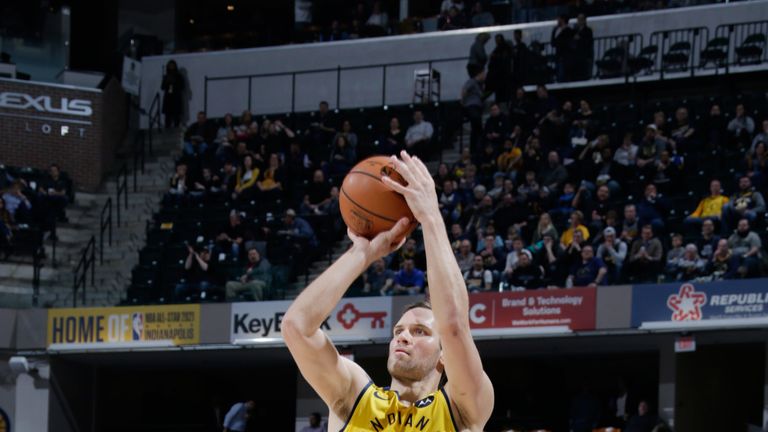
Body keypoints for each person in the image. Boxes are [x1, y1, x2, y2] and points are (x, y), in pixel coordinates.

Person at [282, 151, 494, 432]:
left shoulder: (461, 410)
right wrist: (362, 254)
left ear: (445, 356)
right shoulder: (354, 397)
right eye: (399, 331)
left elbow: (454, 324)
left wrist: (430, 217)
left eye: (420, 331)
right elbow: (296, 327)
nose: (403, 337)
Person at [461, 67, 485, 153]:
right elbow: (464, 90)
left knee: (477, 129)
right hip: (472, 106)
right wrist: (463, 102)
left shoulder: (479, 85)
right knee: (477, 126)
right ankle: (474, 148)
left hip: (477, 107)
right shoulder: (472, 81)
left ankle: (476, 148)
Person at [161, 60, 184, 128]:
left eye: (172, 65)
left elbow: (182, 86)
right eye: (170, 65)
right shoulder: (166, 76)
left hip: (176, 97)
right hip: (168, 98)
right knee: (167, 116)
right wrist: (167, 82)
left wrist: (175, 83)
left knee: (176, 115)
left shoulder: (178, 76)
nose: (171, 67)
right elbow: (162, 87)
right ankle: (167, 129)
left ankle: (176, 128)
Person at [551, 15, 574, 82]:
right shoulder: (557, 30)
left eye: (559, 19)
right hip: (558, 56)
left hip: (565, 57)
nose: (557, 21)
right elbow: (553, 43)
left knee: (563, 76)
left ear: (562, 20)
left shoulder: (568, 30)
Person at [572, 14, 594, 80]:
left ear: (584, 20)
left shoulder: (588, 30)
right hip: (576, 55)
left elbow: (588, 41)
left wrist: (580, 39)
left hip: (585, 55)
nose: (579, 21)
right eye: (578, 19)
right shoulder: (574, 30)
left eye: (581, 19)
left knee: (585, 73)